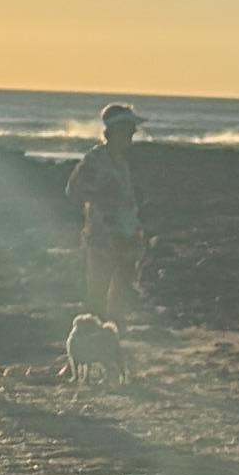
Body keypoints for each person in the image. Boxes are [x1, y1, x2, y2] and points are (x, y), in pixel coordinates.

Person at [67, 102, 145, 320]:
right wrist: (101, 204)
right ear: (116, 131)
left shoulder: (120, 162)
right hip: (103, 240)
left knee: (122, 295)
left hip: (126, 237)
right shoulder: (95, 160)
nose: (134, 133)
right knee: (98, 295)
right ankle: (95, 342)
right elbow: (73, 190)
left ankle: (114, 340)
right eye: (129, 129)